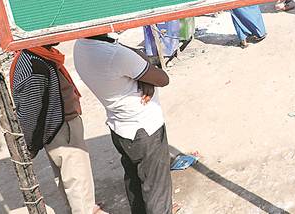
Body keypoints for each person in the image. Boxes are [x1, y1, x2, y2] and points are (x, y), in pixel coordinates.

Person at [73, 35, 174, 214]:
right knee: (157, 190)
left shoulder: (81, 46)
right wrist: (147, 76)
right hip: (145, 128)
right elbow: (163, 79)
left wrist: (143, 76)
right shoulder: (115, 55)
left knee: (134, 182)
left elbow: (133, 53)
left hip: (119, 127)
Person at [10, 45, 105, 214]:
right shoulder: (33, 65)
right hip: (61, 129)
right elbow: (30, 113)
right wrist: (30, 145)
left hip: (60, 128)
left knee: (68, 178)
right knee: (77, 180)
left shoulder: (40, 55)